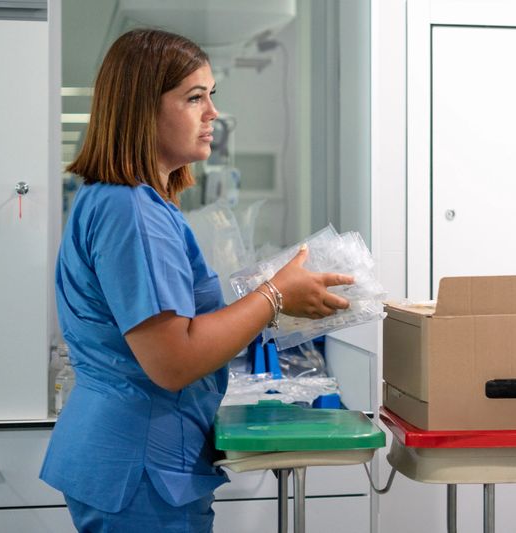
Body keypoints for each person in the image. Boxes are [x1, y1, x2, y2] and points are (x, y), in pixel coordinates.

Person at [40, 28, 353, 532]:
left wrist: (273, 299)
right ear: (143, 109)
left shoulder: (127, 201)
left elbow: (178, 327)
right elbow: (172, 361)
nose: (212, 114)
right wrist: (273, 296)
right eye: (193, 98)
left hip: (133, 455)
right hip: (138, 465)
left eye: (212, 96)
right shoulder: (131, 211)